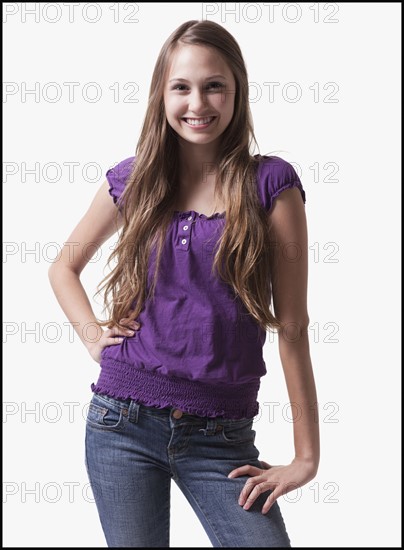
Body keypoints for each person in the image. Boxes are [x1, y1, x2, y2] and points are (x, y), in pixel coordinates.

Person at [48, 19, 319, 548]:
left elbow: (293, 326)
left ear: (237, 91)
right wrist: (92, 337)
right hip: (120, 421)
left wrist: (306, 456)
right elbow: (63, 267)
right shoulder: (134, 180)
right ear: (162, 94)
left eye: (215, 85)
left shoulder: (271, 185)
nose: (199, 102)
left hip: (221, 437)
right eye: (182, 87)